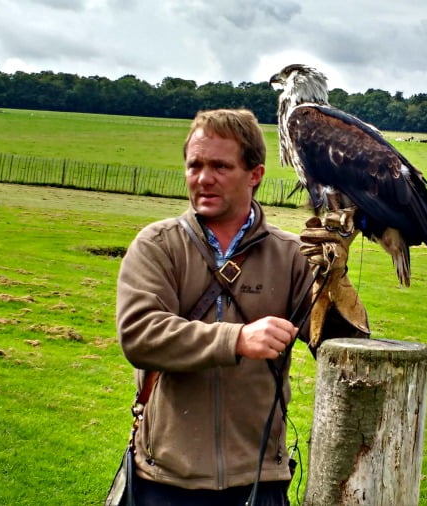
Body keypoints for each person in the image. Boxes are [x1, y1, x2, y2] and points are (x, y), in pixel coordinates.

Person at [116, 109, 313, 505]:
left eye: (220, 166)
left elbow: (339, 341)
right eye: (195, 165)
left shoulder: (292, 256)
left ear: (254, 174)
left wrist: (335, 270)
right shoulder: (158, 245)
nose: (204, 178)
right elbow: (140, 335)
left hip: (258, 479)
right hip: (166, 479)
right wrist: (237, 339)